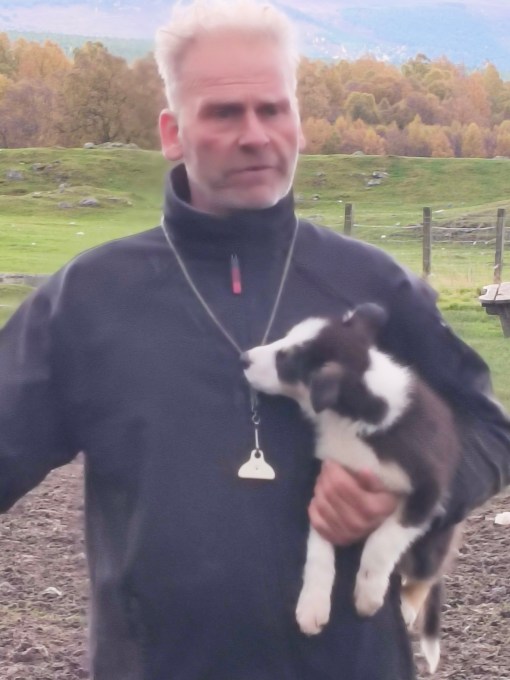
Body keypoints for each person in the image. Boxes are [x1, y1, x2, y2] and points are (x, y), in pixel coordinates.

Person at [1, 1, 509, 678]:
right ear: (172, 132)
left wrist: (408, 488)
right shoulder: (88, 299)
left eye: (273, 109)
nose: (255, 135)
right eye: (223, 113)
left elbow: (486, 429)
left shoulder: (374, 287)